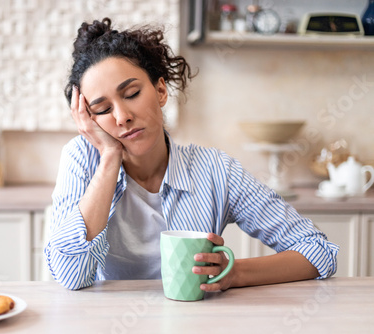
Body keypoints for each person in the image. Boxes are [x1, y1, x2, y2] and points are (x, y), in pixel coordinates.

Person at [44, 18, 339, 291]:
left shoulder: (214, 170)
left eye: (132, 93)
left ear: (161, 90)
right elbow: (70, 275)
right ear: (89, 120)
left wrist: (234, 273)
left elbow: (318, 251)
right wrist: (109, 158)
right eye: (103, 110)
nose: (122, 117)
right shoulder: (81, 159)